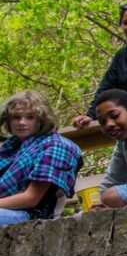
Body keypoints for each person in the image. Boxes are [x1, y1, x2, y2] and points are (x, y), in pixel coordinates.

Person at [0, 90, 82, 225]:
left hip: (32, 216)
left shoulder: (56, 146)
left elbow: (31, 198)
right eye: (16, 117)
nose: (22, 122)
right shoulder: (12, 146)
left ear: (42, 119)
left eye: (30, 117)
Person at [91, 89, 127, 208]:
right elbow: (112, 178)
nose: (109, 124)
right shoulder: (123, 143)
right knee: (107, 196)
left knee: (111, 196)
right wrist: (99, 203)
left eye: (115, 116)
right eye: (102, 121)